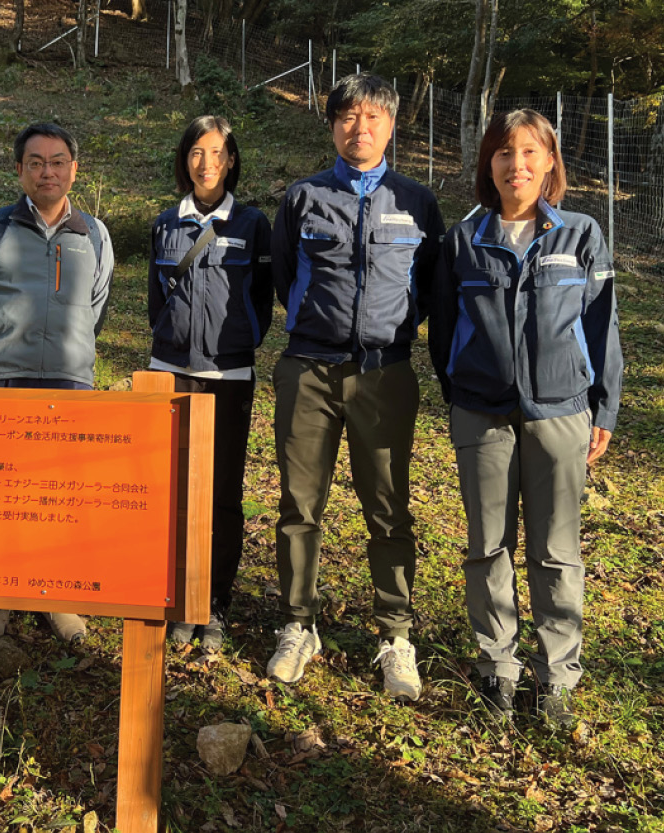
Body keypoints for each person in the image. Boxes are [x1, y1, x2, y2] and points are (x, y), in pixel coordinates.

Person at [430, 110, 622, 728]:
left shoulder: (581, 235)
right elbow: (440, 330)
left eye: (531, 153)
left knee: (557, 551)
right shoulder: (462, 239)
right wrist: (458, 391)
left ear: (550, 164)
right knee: (488, 548)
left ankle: (557, 676)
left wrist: (604, 406)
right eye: (505, 153)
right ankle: (496, 672)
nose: (518, 165)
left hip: (561, 412)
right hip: (481, 414)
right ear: (490, 165)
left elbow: (603, 326)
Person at [267, 75, 444, 701]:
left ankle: (395, 634)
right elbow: (286, 275)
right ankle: (297, 624)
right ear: (332, 126)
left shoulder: (417, 202)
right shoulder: (303, 197)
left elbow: (428, 289)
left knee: (389, 508)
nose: (358, 128)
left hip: (385, 374)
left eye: (371, 117)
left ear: (393, 125)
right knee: (299, 505)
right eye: (346, 117)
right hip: (308, 370)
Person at [0, 122, 114, 645]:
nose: (48, 171)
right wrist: (2, 342)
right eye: (36, 162)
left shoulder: (93, 233)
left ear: (75, 168)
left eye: (58, 161)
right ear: (19, 169)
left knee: (65, 496)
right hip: (5, 379)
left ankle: (60, 598)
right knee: (2, 493)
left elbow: (97, 305)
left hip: (71, 384)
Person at [148, 115, 273, 652]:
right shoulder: (164, 223)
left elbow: (263, 300)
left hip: (228, 375)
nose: (206, 163)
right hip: (170, 374)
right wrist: (168, 342)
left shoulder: (252, 224)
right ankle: (178, 597)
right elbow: (155, 298)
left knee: (221, 494)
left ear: (231, 161)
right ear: (185, 159)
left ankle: (215, 603)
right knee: (173, 491)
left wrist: (238, 344)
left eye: (217, 153)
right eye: (197, 152)